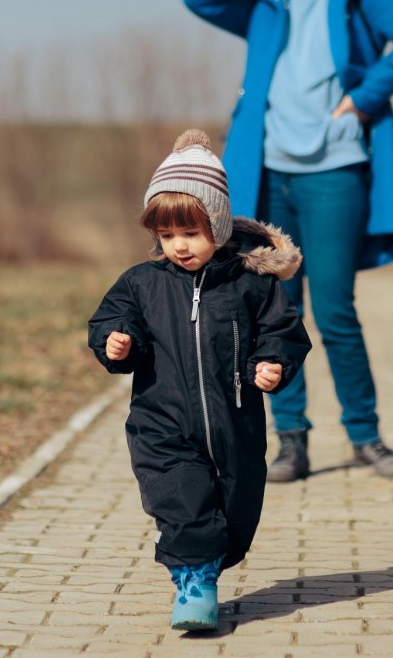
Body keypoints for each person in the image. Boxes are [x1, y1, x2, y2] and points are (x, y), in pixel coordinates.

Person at [182, 0, 393, 482]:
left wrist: (365, 98)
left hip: (336, 172)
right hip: (269, 172)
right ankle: (292, 442)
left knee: (334, 309)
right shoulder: (261, 5)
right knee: (275, 310)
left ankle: (367, 437)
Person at [87, 129, 312, 631]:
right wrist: (117, 341)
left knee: (234, 516)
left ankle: (207, 565)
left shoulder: (252, 284)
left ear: (218, 225)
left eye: (190, 233)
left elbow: (283, 331)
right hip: (161, 425)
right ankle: (195, 586)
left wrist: (272, 362)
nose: (179, 246)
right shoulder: (141, 283)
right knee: (183, 504)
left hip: (235, 426)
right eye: (167, 236)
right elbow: (111, 320)